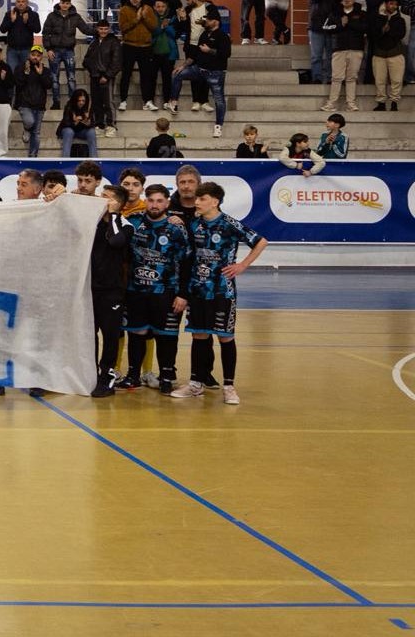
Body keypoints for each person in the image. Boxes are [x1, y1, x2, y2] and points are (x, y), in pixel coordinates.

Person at [170, 183, 267, 404]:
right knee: (199, 335)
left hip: (223, 291)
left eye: (201, 199)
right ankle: (196, 384)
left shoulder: (229, 224)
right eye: (196, 198)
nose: (196, 202)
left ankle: (229, 387)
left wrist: (242, 265)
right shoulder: (194, 224)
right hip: (198, 290)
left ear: (214, 201)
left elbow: (261, 242)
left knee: (225, 337)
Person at [119, 183, 186, 395]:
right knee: (137, 332)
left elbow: (186, 263)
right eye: (151, 200)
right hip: (136, 291)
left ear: (167, 203)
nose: (154, 205)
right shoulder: (133, 221)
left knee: (165, 335)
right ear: (145, 201)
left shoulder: (176, 228)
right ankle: (133, 375)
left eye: (159, 201)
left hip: (165, 292)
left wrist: (183, 294)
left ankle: (166, 376)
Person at [89, 183, 133, 397]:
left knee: (110, 335)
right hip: (89, 289)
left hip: (112, 290)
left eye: (105, 196)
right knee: (89, 334)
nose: (100, 198)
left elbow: (116, 241)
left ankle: (107, 375)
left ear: (117, 203)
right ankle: (90, 373)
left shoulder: (125, 225)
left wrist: (114, 215)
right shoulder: (93, 221)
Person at [164, 11, 230, 138]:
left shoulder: (223, 36)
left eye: (208, 20)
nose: (206, 22)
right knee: (177, 74)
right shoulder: (204, 34)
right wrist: (183, 66)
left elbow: (226, 54)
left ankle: (218, 126)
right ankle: (174, 103)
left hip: (215, 73)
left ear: (215, 21)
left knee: (219, 100)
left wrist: (209, 50)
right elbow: (195, 54)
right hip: (199, 69)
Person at [321, 0, 368, 112]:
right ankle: (331, 103)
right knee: (336, 77)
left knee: (352, 77)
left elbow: (366, 28)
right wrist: (340, 25)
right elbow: (325, 27)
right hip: (339, 49)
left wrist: (349, 23)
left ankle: (351, 104)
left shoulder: (361, 13)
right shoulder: (335, 13)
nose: (346, 0)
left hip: (356, 49)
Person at [42, 0, 89, 108]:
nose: (65, 5)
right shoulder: (51, 16)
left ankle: (72, 104)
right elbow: (46, 33)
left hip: (69, 51)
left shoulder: (76, 16)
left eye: (67, 3)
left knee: (71, 78)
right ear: (59, 3)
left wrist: (98, 31)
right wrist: (48, 49)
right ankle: (56, 103)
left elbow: (85, 29)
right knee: (54, 78)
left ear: (70, 4)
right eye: (63, 3)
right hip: (54, 50)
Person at [117, 0, 159, 111]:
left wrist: (145, 17)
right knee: (126, 74)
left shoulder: (148, 9)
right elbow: (122, 27)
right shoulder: (124, 9)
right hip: (129, 45)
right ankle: (123, 101)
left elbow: (154, 27)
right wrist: (136, 19)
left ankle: (147, 101)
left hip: (145, 46)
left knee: (146, 75)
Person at [83, 21, 121, 137]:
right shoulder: (94, 42)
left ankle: (111, 126)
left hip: (107, 77)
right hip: (94, 76)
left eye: (105, 29)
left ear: (109, 29)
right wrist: (92, 70)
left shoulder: (114, 42)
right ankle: (99, 125)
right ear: (97, 29)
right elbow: (86, 60)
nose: (103, 31)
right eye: (101, 29)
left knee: (108, 102)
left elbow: (116, 62)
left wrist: (107, 75)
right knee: (96, 102)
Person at [369, 0, 405, 111]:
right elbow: (372, 34)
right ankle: (381, 103)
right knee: (379, 80)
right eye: (391, 3)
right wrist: (382, 30)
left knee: (397, 80)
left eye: (395, 4)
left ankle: (394, 102)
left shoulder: (400, 19)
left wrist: (389, 31)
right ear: (385, 4)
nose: (393, 6)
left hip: (395, 53)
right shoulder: (376, 18)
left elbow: (401, 34)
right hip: (379, 53)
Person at [14, 46, 49, 157]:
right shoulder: (21, 67)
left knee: (36, 133)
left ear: (41, 57)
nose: (35, 57)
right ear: (29, 55)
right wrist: (26, 73)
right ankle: (26, 128)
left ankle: (33, 156)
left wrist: (41, 74)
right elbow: (18, 84)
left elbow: (48, 85)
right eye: (33, 55)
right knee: (29, 122)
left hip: (39, 105)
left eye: (38, 55)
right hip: (24, 104)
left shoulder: (45, 70)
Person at [0, 0, 42, 70]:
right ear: (15, 3)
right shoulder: (9, 14)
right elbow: (2, 29)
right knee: (12, 72)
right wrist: (11, 21)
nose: (21, 3)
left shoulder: (33, 14)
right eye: (18, 1)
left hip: (27, 50)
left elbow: (37, 29)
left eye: (23, 1)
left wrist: (27, 22)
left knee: (26, 72)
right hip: (12, 50)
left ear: (27, 3)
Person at [58, 89, 98, 157]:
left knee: (91, 132)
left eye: (83, 101)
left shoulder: (88, 108)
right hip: (69, 129)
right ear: (75, 100)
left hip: (81, 131)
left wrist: (87, 121)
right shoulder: (69, 106)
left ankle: (94, 159)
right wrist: (74, 122)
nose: (81, 103)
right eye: (79, 100)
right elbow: (65, 123)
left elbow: (92, 124)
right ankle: (65, 159)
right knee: (69, 132)